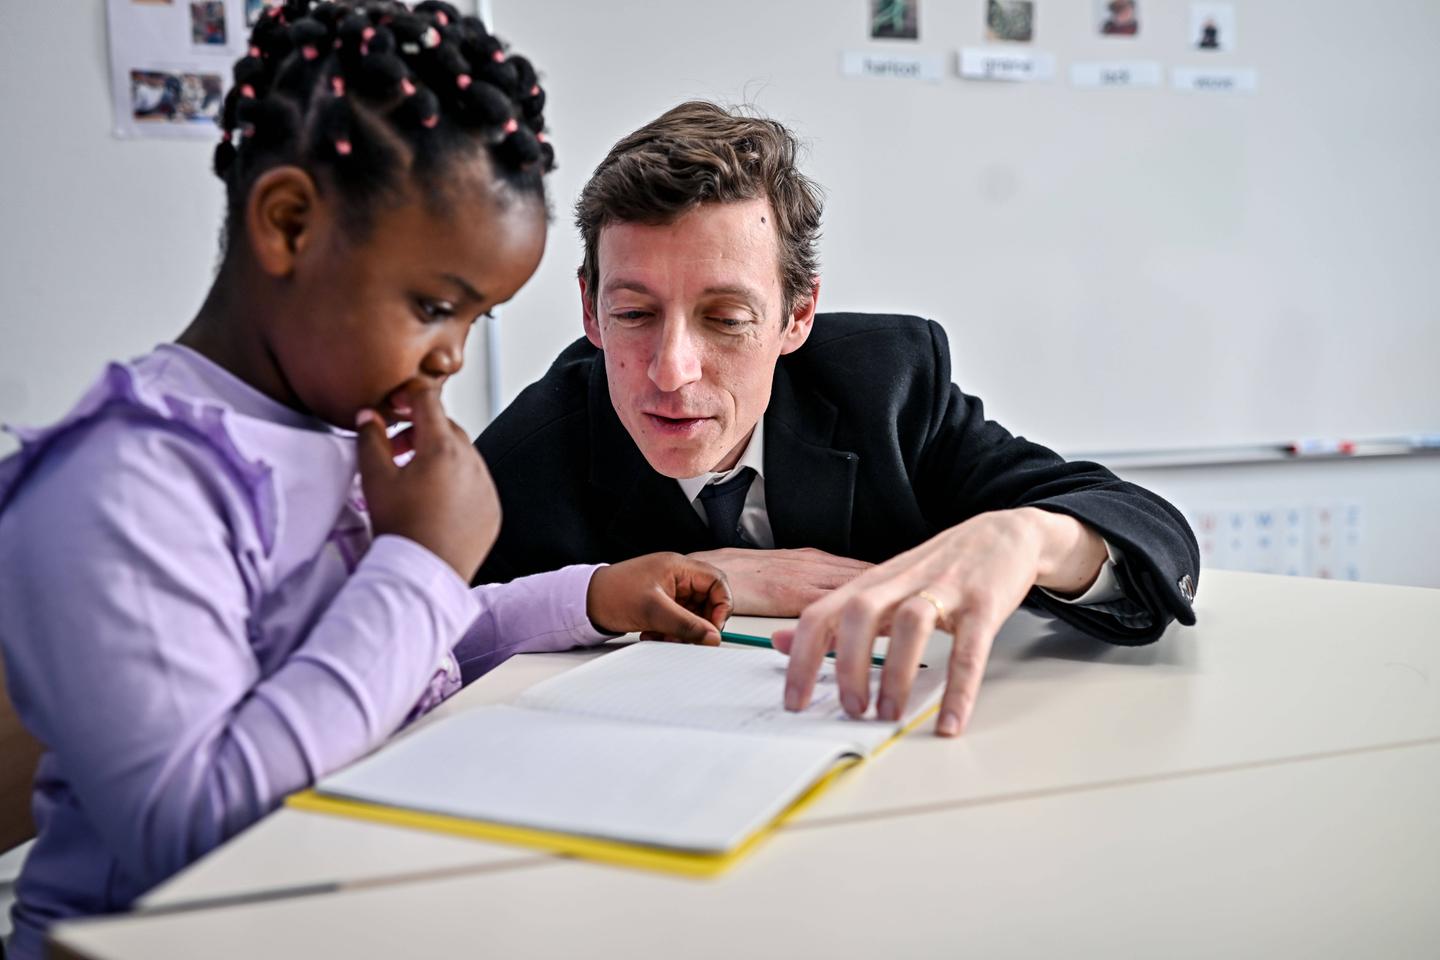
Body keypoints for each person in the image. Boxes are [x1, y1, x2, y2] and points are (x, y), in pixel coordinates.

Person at [0, 6, 729, 954]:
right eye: (433, 306)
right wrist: (422, 560)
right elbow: (196, 830)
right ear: (289, 223)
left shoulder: (331, 421)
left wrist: (591, 595)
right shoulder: (127, 483)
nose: (451, 357)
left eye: (475, 320)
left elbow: (398, 655)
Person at [476, 101, 1200, 739]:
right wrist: (690, 575)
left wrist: (1030, 537)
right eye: (633, 314)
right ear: (589, 310)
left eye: (726, 319)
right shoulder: (527, 457)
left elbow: (1151, 536)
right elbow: (441, 641)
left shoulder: (885, 387)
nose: (672, 371)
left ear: (798, 316)